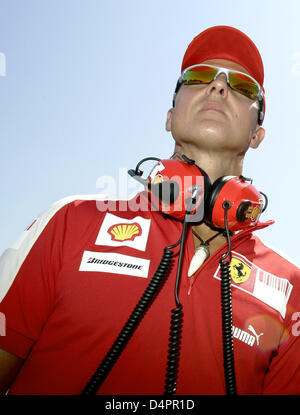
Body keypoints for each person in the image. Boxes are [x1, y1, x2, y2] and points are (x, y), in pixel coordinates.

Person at [0, 25, 299, 396]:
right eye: (199, 76)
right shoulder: (67, 221)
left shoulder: (291, 288)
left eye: (243, 87)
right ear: (170, 117)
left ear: (257, 135)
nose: (218, 86)